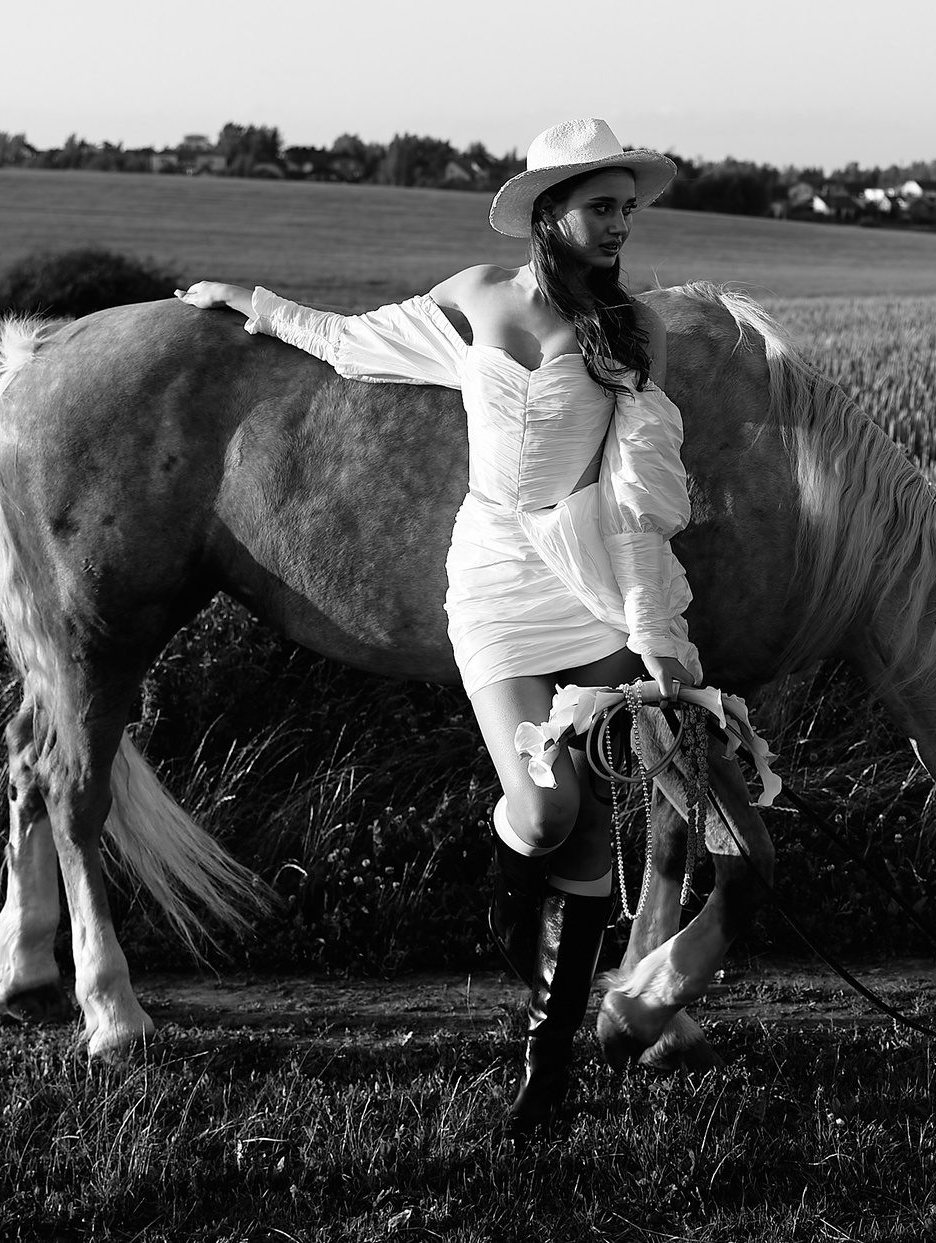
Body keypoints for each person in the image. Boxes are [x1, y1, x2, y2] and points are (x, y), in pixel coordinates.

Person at [175, 118, 701, 1137]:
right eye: (603, 207)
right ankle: (515, 923)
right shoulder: (473, 295)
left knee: (592, 824)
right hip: (496, 581)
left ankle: (548, 1069)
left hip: (585, 580)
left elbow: (635, 493)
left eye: (628, 210)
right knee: (543, 813)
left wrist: (656, 630)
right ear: (552, 211)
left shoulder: (634, 327)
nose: (621, 226)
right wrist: (251, 302)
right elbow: (352, 344)